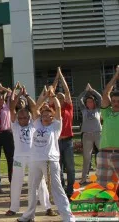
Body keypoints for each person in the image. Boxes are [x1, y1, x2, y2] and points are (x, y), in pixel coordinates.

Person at [18, 87, 75, 222]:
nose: (45, 116)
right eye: (43, 115)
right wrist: (43, 96)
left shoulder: (55, 126)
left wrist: (53, 96)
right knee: (32, 189)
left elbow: (59, 108)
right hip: (35, 160)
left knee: (56, 189)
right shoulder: (37, 123)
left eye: (48, 115)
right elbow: (35, 108)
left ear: (52, 116)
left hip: (50, 160)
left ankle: (68, 216)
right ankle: (28, 216)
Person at [5, 84, 56, 217]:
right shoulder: (15, 125)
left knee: (40, 184)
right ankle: (13, 208)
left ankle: (47, 207)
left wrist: (26, 95)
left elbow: (34, 108)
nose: (22, 120)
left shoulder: (34, 123)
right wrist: (17, 94)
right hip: (18, 158)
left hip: (34, 157)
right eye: (20, 117)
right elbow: (11, 108)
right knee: (16, 182)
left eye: (25, 117)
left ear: (29, 118)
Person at [52, 67, 75, 198]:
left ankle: (70, 190)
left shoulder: (69, 108)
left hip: (68, 141)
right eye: (58, 98)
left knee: (70, 168)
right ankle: (62, 190)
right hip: (56, 141)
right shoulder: (52, 109)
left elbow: (67, 91)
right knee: (58, 169)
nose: (60, 99)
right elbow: (51, 92)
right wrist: (56, 78)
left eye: (62, 98)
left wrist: (61, 76)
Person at [97, 65, 119, 189]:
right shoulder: (107, 112)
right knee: (102, 187)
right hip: (104, 154)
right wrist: (116, 76)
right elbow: (106, 92)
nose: (116, 103)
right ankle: (102, 208)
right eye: (114, 101)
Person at [77, 83, 102, 184]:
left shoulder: (98, 109)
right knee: (86, 157)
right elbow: (79, 99)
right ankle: (83, 178)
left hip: (98, 134)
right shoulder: (84, 110)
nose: (89, 103)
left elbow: (100, 98)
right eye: (87, 102)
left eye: (91, 101)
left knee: (101, 156)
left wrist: (92, 90)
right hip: (87, 135)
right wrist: (86, 91)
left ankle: (100, 176)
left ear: (94, 103)